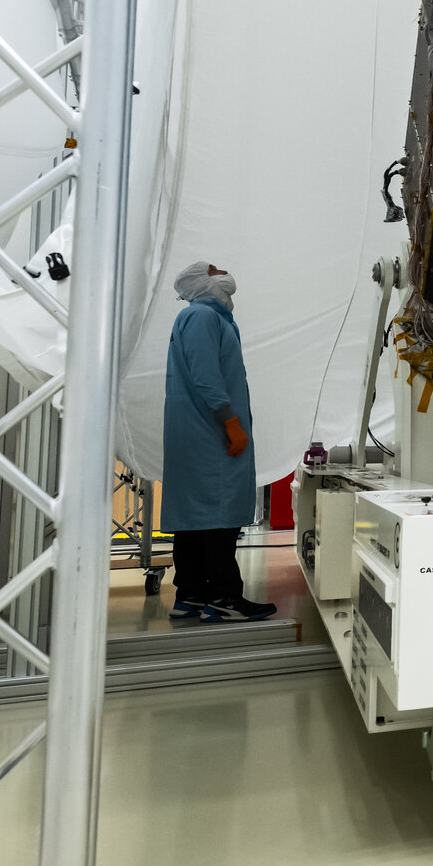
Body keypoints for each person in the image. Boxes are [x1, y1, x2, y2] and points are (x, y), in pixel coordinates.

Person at [163, 261, 277, 622]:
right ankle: (224, 597)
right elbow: (206, 376)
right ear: (200, 282)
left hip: (198, 432)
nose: (225, 272)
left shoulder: (205, 317)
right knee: (218, 513)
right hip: (210, 433)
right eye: (214, 270)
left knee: (196, 516)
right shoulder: (202, 318)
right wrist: (231, 422)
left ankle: (192, 594)